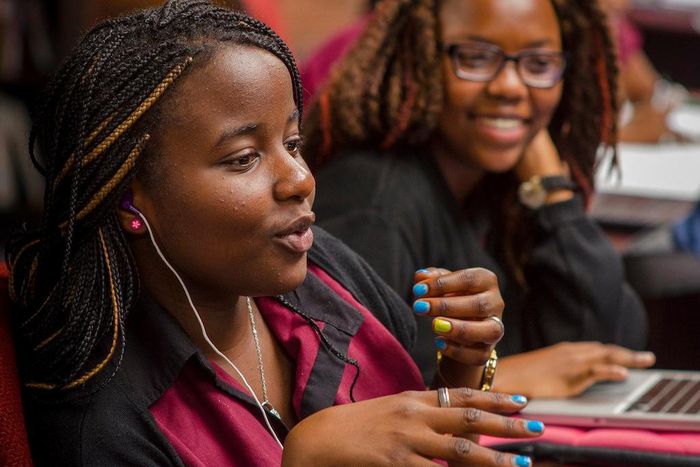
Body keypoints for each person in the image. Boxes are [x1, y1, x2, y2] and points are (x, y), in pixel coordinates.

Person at [5, 1, 545, 465]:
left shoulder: (325, 275)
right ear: (130, 197)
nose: (301, 180)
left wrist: (464, 369)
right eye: (243, 159)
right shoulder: (106, 427)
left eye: (292, 143)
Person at [304, 0, 655, 397]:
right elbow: (354, 396)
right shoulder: (373, 203)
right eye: (475, 58)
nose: (509, 86)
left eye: (538, 65)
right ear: (419, 60)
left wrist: (552, 194)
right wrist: (502, 377)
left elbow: (609, 339)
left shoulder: (500, 188)